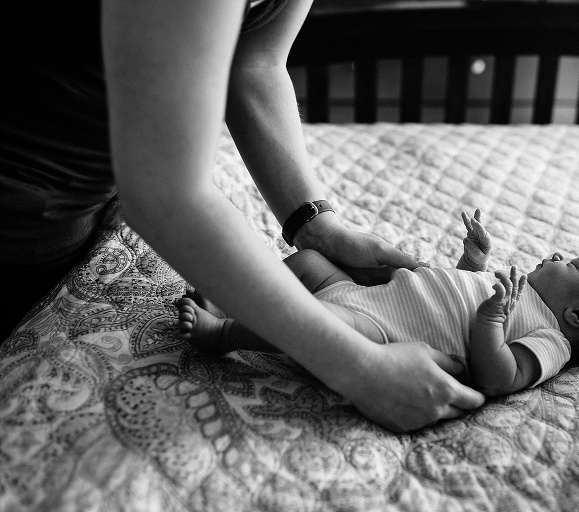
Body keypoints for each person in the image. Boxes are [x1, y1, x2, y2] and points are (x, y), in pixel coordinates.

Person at [0, 0, 486, 431]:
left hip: (96, 188)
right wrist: (361, 369)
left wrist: (316, 223)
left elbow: (253, 63)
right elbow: (165, 195)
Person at [176, 210, 579, 396]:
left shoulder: (552, 342)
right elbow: (454, 294)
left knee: (308, 320)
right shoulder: (520, 289)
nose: (554, 255)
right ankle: (227, 297)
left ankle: (225, 334)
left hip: (379, 331)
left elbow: (497, 376)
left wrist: (492, 319)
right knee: (306, 260)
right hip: (371, 294)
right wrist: (472, 262)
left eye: (570, 264)